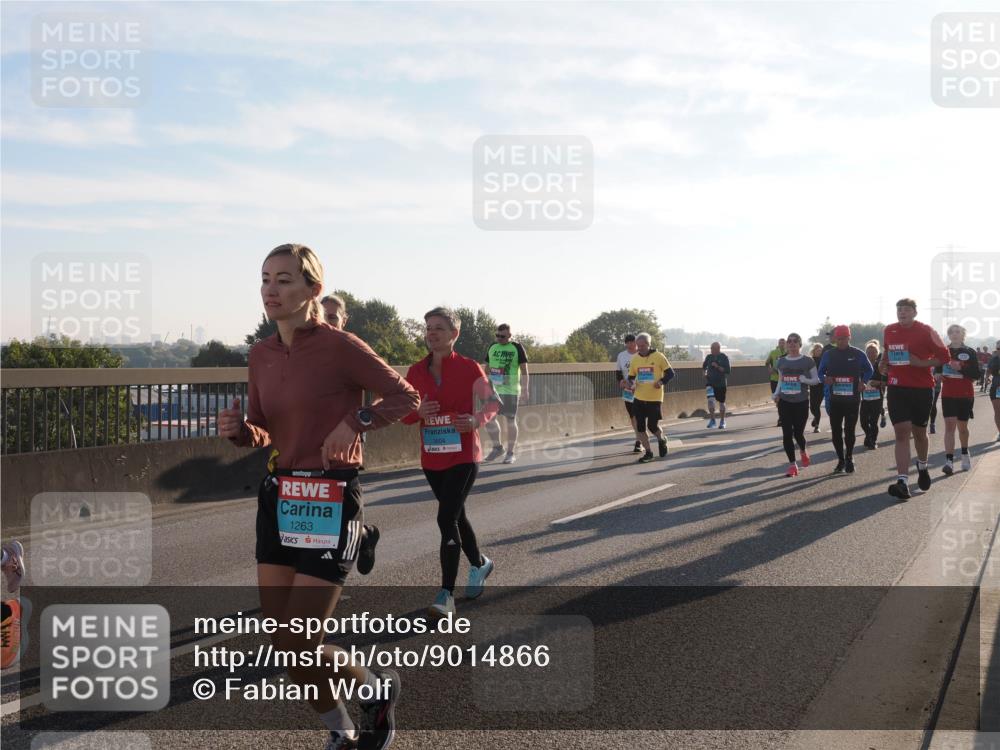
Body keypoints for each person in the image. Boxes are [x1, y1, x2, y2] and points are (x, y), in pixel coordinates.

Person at [218, 243, 419, 750]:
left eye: (285, 279)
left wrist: (355, 421)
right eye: (265, 278)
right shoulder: (260, 353)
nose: (271, 289)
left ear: (313, 289)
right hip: (280, 495)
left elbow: (405, 396)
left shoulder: (341, 346)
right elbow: (265, 429)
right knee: (285, 645)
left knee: (301, 638)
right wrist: (241, 431)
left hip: (331, 497)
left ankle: (376, 687)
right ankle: (342, 730)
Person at [402, 307, 500, 617]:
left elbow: (493, 403)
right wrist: (418, 413)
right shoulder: (416, 372)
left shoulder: (470, 368)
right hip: (432, 459)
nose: (431, 333)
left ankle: (445, 594)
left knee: (446, 519)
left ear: (454, 334)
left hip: (463, 457)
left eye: (439, 328)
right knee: (457, 517)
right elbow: (403, 415)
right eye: (428, 327)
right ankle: (480, 564)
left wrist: (476, 419)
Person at [879, 298, 950, 501]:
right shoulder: (889, 330)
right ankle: (902, 481)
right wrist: (882, 365)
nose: (902, 312)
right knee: (901, 432)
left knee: (920, 433)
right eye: (899, 309)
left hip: (921, 388)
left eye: (907, 309)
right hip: (896, 387)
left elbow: (944, 357)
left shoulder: (927, 331)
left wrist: (920, 363)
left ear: (915, 313)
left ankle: (923, 465)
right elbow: (887, 353)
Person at [818, 326, 874, 473]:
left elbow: (869, 369)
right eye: (839, 339)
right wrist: (825, 379)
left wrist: (863, 382)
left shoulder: (858, 354)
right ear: (835, 339)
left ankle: (849, 458)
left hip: (852, 399)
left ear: (849, 338)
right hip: (834, 399)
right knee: (836, 431)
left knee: (849, 430)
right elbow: (820, 372)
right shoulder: (829, 354)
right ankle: (840, 460)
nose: (841, 341)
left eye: (844, 338)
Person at [771, 333, 821, 477]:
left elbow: (816, 380)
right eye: (789, 341)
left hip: (801, 402)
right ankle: (793, 465)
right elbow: (781, 379)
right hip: (785, 402)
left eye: (795, 341)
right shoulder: (781, 362)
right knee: (787, 434)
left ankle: (803, 451)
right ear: (786, 344)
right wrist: (776, 393)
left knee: (798, 433)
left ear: (800, 344)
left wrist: (804, 379)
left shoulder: (807, 361)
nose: (792, 344)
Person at [938, 324, 982, 475]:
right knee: (949, 427)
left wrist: (961, 368)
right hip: (948, 393)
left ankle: (964, 453)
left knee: (962, 428)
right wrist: (938, 375)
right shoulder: (944, 351)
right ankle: (949, 461)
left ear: (963, 334)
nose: (955, 334)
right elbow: (937, 369)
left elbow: (976, 374)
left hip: (965, 394)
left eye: (958, 332)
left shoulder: (969, 352)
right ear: (949, 335)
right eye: (952, 332)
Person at [484, 324, 529, 464]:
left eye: (502, 336)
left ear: (509, 335)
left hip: (511, 390)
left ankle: (510, 453)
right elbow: (486, 368)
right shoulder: (493, 346)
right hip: (493, 389)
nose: (499, 338)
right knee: (489, 419)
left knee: (510, 420)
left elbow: (525, 370)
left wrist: (525, 389)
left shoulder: (517, 347)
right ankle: (497, 448)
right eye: (497, 335)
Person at [626, 333, 675, 463]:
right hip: (639, 397)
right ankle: (648, 452)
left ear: (649, 344)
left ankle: (661, 439)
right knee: (640, 427)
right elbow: (631, 376)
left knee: (652, 426)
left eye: (643, 345)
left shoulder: (659, 356)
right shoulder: (635, 359)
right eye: (638, 346)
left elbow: (670, 373)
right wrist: (631, 384)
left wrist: (661, 382)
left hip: (655, 398)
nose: (640, 348)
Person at [616, 334, 643, 452]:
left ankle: (640, 440)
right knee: (632, 416)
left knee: (641, 415)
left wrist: (637, 384)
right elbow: (618, 371)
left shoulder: (641, 354)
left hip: (642, 388)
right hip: (628, 389)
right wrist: (621, 381)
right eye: (628, 342)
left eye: (632, 342)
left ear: (636, 343)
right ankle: (638, 439)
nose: (630, 344)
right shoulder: (621, 356)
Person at [859, 340, 886, 449]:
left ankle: (873, 441)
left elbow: (886, 381)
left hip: (877, 397)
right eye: (869, 352)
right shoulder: (862, 366)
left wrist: (878, 383)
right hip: (865, 398)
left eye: (874, 352)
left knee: (873, 421)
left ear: (877, 353)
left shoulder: (881, 366)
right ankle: (868, 435)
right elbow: (857, 379)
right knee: (863, 421)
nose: (871, 354)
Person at [702, 342, 731, 430]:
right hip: (710, 382)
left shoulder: (724, 357)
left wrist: (717, 366)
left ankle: (722, 421)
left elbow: (728, 371)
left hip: (721, 383)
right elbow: (704, 366)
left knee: (721, 402)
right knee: (710, 400)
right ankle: (712, 420)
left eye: (712, 348)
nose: (711, 350)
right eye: (710, 348)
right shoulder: (709, 357)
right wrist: (704, 373)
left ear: (718, 348)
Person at [765, 338, 787, 427]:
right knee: (777, 399)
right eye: (780, 343)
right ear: (778, 344)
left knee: (784, 399)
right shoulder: (773, 352)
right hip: (775, 378)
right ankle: (781, 416)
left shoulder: (789, 352)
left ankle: (782, 418)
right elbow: (767, 362)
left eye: (783, 343)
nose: (782, 344)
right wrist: (770, 369)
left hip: (786, 380)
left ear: (786, 344)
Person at [808, 343, 825, 433]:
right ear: (814, 351)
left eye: (821, 350)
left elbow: (827, 371)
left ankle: (817, 426)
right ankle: (815, 418)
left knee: (817, 406)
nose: (819, 352)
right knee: (812, 407)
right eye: (818, 350)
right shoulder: (810, 361)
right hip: (813, 386)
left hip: (821, 385)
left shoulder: (824, 360)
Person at [989, 342, 1000, 441]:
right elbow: (989, 370)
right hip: (997, 387)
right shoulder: (993, 359)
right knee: (997, 411)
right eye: (998, 347)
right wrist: (986, 378)